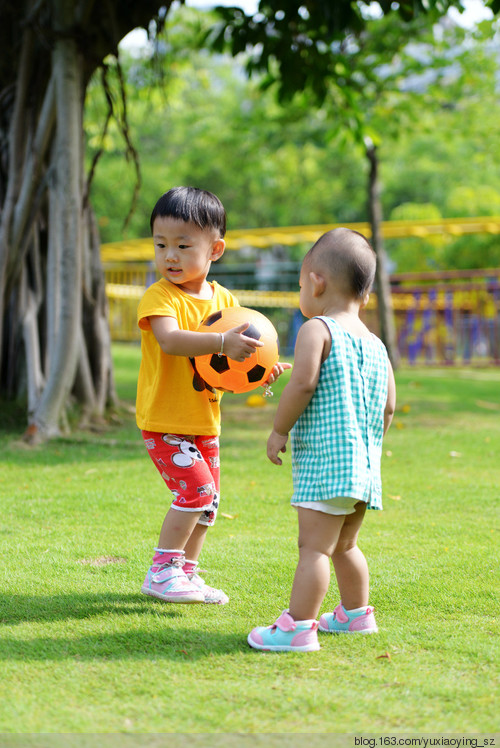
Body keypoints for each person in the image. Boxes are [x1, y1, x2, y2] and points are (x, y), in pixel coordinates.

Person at [137, 186, 289, 605]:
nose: (170, 256)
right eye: (161, 244)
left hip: (205, 421)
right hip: (165, 420)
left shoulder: (226, 302)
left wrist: (259, 372)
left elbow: (226, 373)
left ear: (215, 249)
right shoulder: (159, 297)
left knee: (209, 504)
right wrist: (222, 342)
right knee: (195, 493)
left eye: (183, 246)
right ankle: (161, 572)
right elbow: (170, 341)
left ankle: (186, 573)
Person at [248, 228, 396, 651]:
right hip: (364, 469)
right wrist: (369, 446)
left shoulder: (317, 329)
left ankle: (297, 628)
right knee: (346, 544)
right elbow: (388, 407)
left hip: (328, 465)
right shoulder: (375, 343)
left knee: (313, 548)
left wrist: (279, 430)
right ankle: (354, 615)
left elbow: (304, 384)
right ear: (365, 294)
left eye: (299, 284)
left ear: (316, 281)